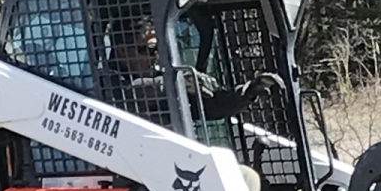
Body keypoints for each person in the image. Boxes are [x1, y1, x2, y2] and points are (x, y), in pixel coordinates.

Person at [105, 14, 286, 124]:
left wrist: (247, 93)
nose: (156, 57)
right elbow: (129, 95)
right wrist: (175, 83)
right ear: (122, 50)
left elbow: (210, 106)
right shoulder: (105, 84)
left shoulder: (165, 81)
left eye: (159, 50)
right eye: (150, 49)